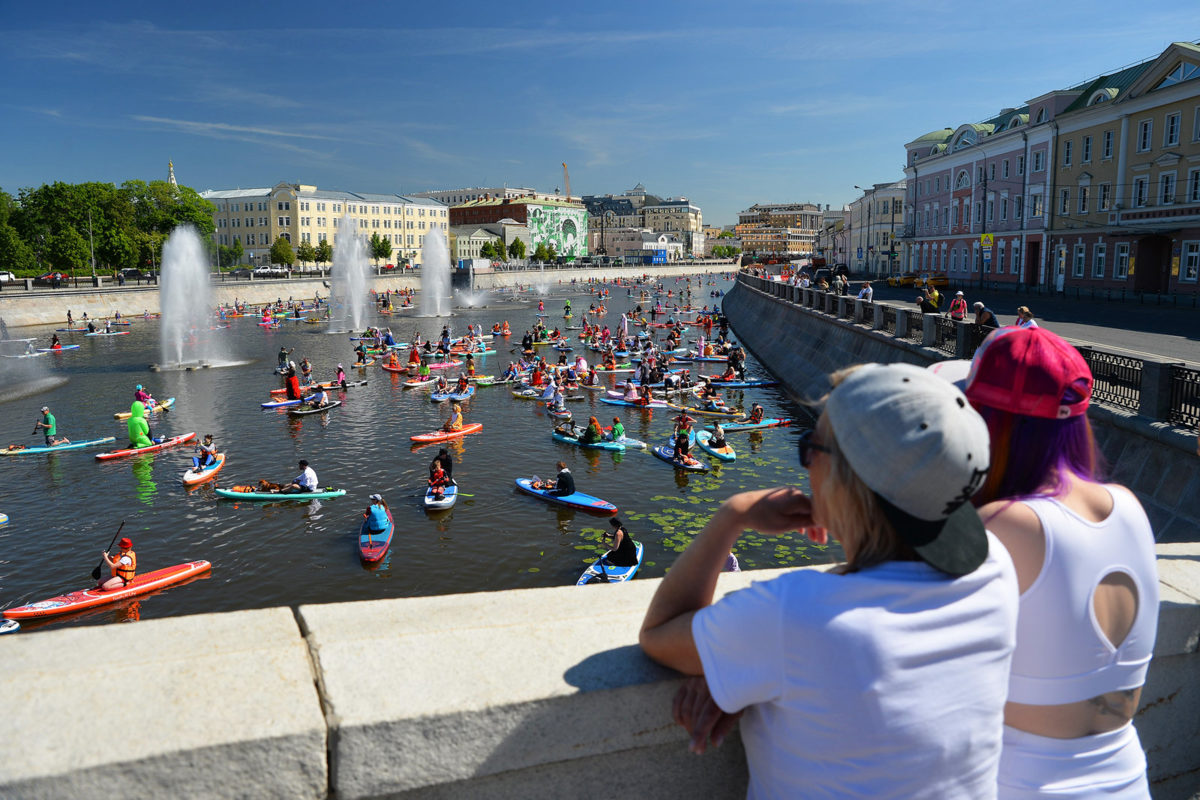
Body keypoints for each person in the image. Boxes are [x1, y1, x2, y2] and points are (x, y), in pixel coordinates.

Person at [639, 362, 1018, 798]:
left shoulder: (792, 615)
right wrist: (746, 663)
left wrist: (732, 517)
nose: (804, 464)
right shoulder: (997, 570)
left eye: (809, 448)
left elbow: (658, 633)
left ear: (842, 479)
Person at [956, 327, 1160, 797]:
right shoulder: (1128, 506)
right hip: (1128, 778)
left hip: (1024, 783)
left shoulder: (1003, 526)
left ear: (989, 420)